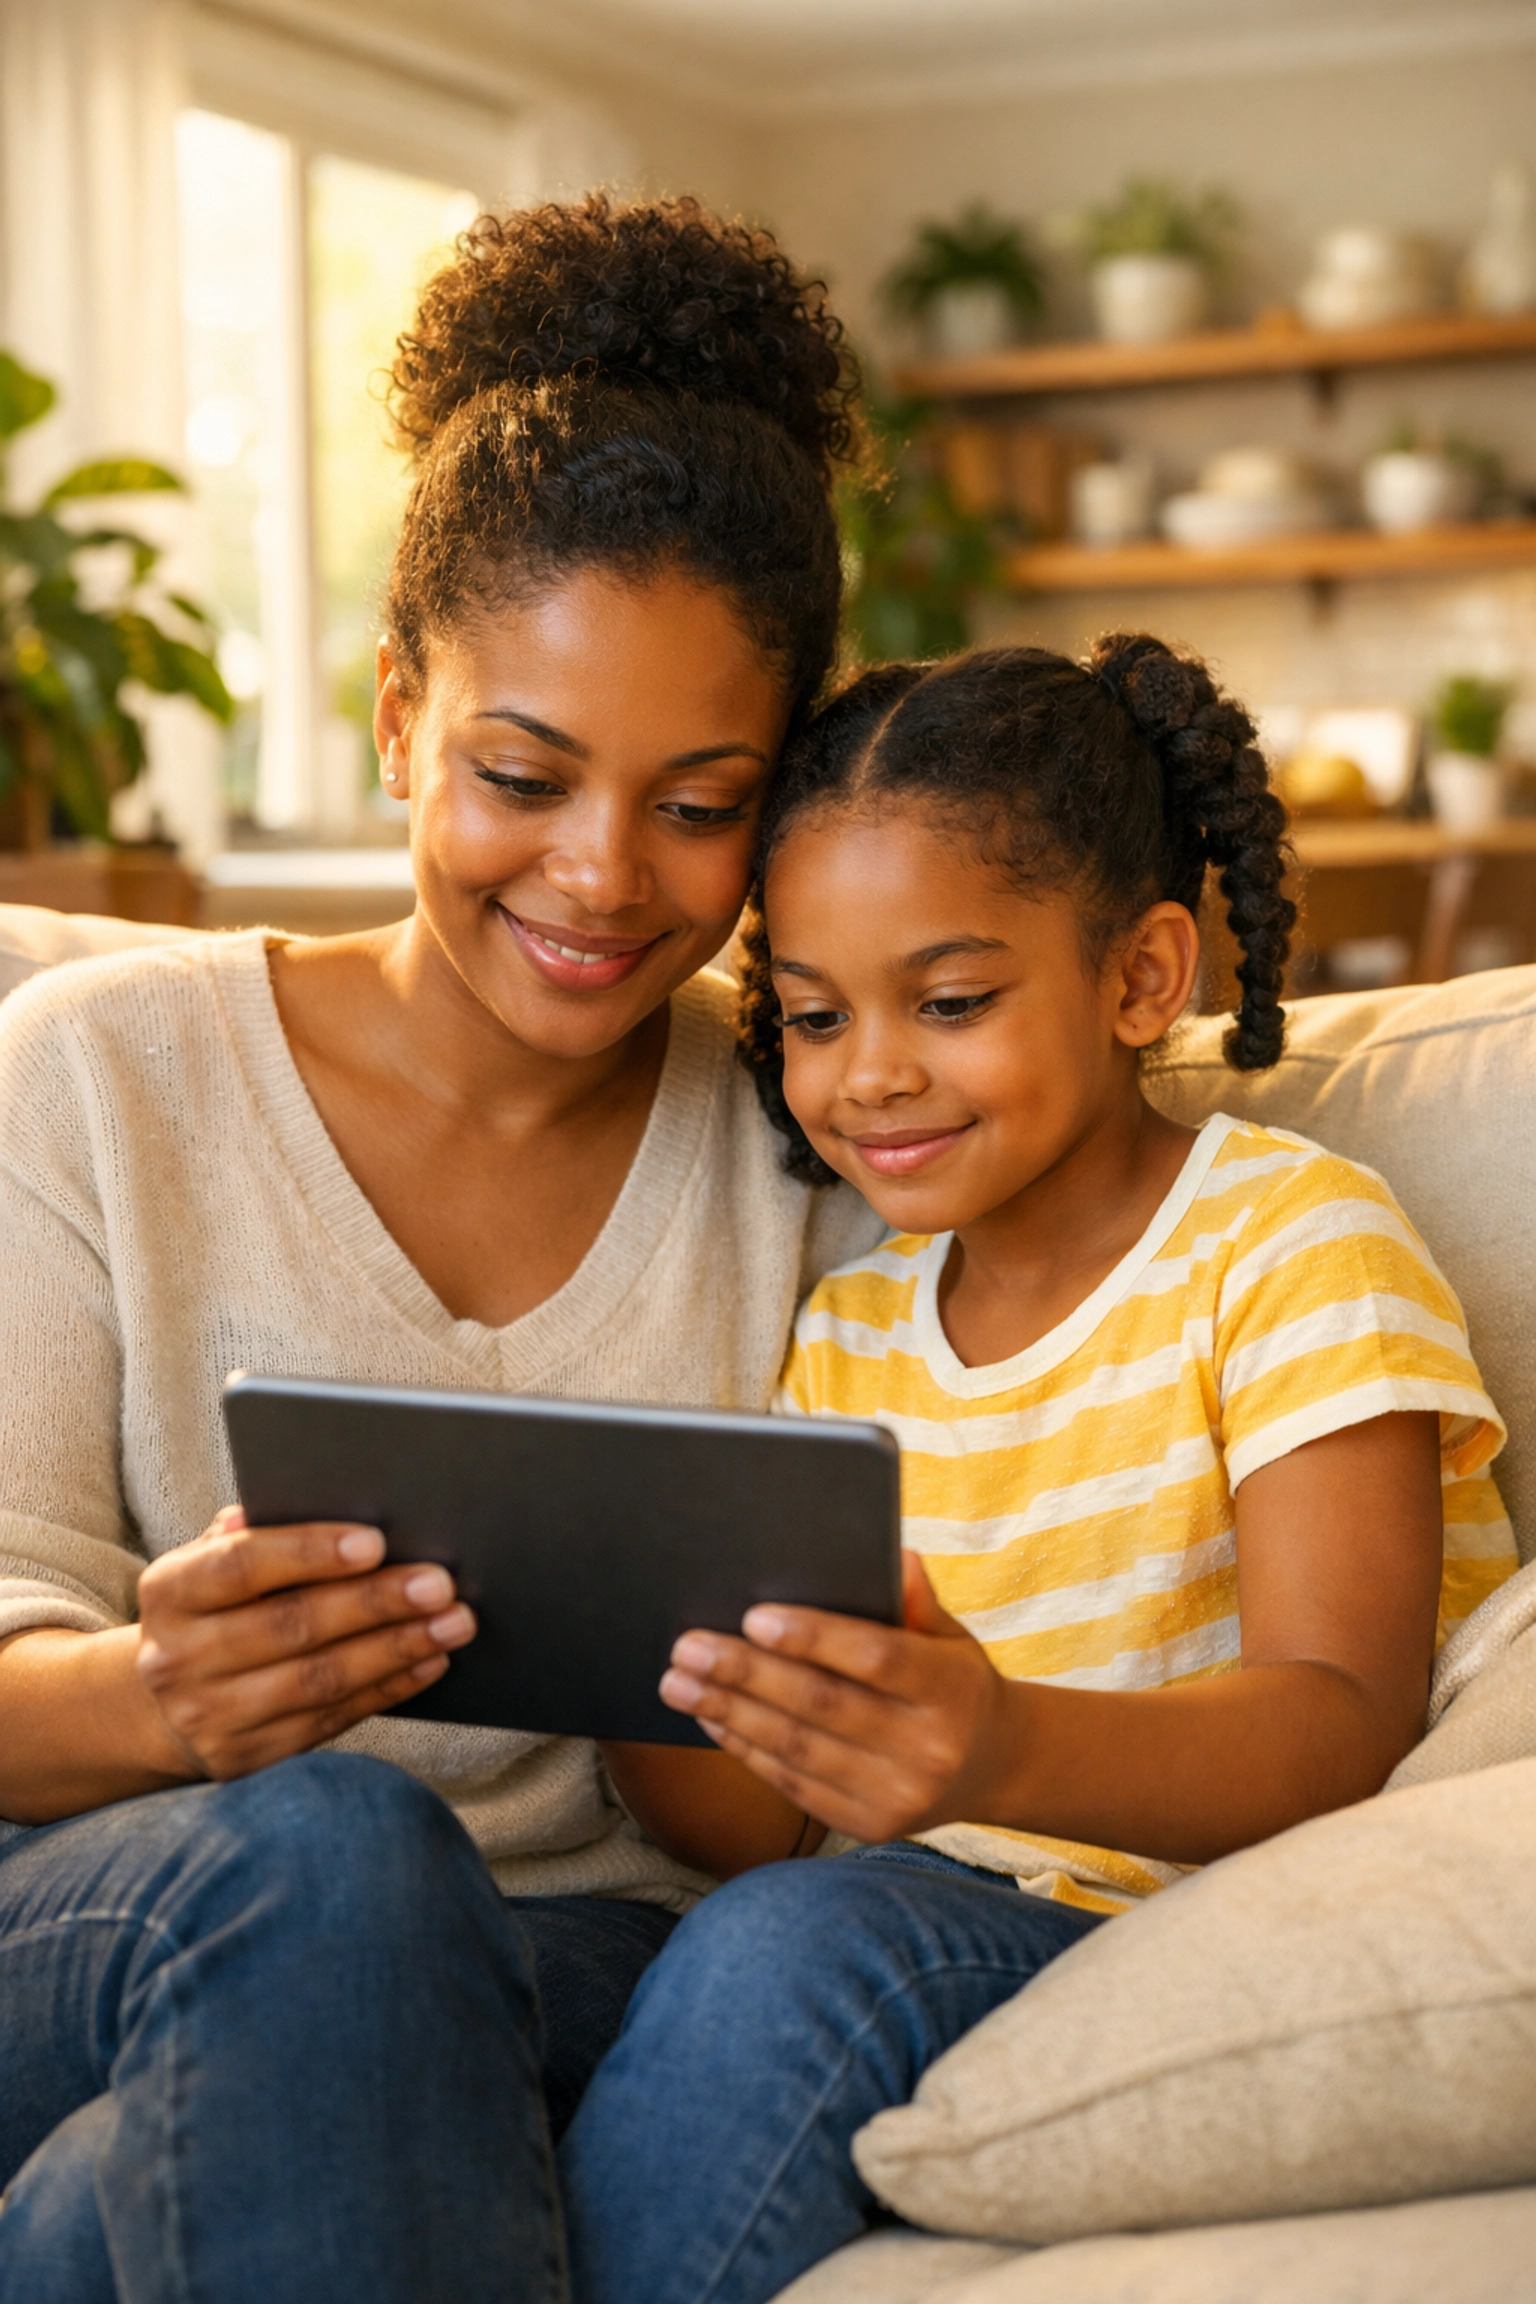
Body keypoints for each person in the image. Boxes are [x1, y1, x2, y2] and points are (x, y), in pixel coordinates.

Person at [0, 195, 884, 2303]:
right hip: (118, 1894)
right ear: (399, 715)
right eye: (522, 771)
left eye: (700, 803)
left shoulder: (819, 1137)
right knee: (330, 1847)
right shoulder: (94, 1077)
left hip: (585, 1972)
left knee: (112, 2215)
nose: (601, 874)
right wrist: (162, 1691)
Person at [560, 637, 1519, 2304]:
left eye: (949, 1002)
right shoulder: (851, 1330)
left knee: (795, 1958)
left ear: (1144, 978)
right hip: (894, 1907)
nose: (868, 1074)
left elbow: (1340, 1717)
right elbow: (767, 1830)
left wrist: (993, 1742)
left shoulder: (1289, 1246)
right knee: (571, 1960)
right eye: (811, 1016)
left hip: (1173, 1920)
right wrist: (638, 1668)